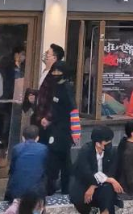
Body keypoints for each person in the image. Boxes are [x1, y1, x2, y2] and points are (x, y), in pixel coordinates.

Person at [42, 60, 81, 195]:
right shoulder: (56, 87)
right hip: (55, 127)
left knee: (60, 159)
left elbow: (73, 110)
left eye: (58, 71)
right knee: (59, 159)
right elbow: (55, 109)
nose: (55, 73)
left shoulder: (66, 88)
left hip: (64, 131)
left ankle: (62, 188)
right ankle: (56, 187)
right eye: (54, 71)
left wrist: (76, 132)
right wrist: (48, 119)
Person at [69, 125, 123, 214]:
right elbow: (86, 172)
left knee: (108, 190)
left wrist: (94, 186)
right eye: (106, 143)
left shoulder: (112, 152)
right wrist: (98, 182)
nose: (109, 145)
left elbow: (111, 172)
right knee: (79, 198)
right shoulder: (86, 151)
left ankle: (105, 212)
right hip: (84, 182)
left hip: (102, 184)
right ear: (98, 143)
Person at [6, 124, 48, 201]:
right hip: (37, 192)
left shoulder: (17, 148)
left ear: (23, 138)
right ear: (37, 138)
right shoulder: (44, 149)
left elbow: (12, 169)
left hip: (17, 192)